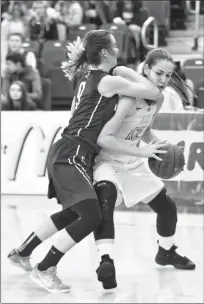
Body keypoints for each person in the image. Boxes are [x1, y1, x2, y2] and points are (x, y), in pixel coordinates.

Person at [7, 30, 162, 294]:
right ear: (105, 52)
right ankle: (45, 268)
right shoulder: (107, 80)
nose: (118, 51)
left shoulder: (87, 77)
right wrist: (124, 70)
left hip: (74, 152)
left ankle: (23, 252)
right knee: (91, 214)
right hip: (72, 152)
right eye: (114, 47)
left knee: (75, 212)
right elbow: (152, 91)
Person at [92, 48, 196, 289]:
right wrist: (143, 151)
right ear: (146, 70)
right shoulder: (128, 97)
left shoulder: (157, 99)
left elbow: (143, 128)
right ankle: (105, 261)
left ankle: (166, 252)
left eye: (168, 76)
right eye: (159, 73)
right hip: (107, 160)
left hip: (132, 160)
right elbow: (104, 139)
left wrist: (157, 144)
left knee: (167, 208)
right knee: (105, 202)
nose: (163, 80)